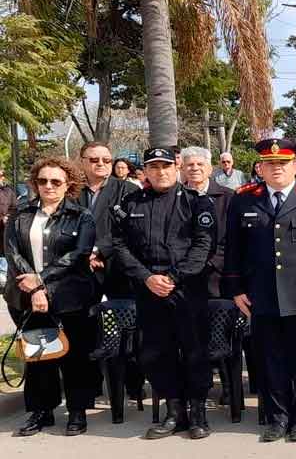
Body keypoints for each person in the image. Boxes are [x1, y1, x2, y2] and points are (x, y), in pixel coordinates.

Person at [224, 138, 296, 442]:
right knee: (269, 359)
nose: (277, 169)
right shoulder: (243, 199)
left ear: (295, 165)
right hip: (260, 292)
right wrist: (236, 288)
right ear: (260, 167)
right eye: (270, 164)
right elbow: (233, 249)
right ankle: (277, 418)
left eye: (283, 163)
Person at [111, 147, 215, 440]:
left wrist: (172, 277)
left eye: (166, 165)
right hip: (148, 290)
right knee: (156, 353)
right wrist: (147, 278)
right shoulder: (131, 203)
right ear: (145, 170)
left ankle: (198, 413)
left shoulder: (196, 202)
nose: (161, 171)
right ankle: (174, 412)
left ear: (177, 166)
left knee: (195, 352)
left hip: (187, 289)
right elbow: (119, 246)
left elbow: (203, 245)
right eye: (154, 166)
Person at [4, 157, 98, 437]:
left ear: (68, 184)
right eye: (43, 181)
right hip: (25, 297)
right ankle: (41, 412)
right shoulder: (20, 214)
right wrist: (34, 289)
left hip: (71, 297)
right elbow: (12, 253)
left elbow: (78, 255)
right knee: (38, 356)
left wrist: (42, 281)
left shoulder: (82, 216)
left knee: (75, 357)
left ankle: (78, 412)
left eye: (56, 181)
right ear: (34, 183)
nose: (49, 186)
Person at [76, 142, 140, 299]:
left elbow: (131, 228)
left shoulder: (129, 190)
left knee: (125, 321)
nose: (100, 164)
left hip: (117, 268)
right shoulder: (71, 191)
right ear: (82, 161)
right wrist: (85, 255)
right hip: (80, 268)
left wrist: (99, 251)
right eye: (94, 160)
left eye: (106, 160)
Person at [180, 147, 233, 298]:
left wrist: (213, 263)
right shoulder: (176, 197)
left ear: (210, 168)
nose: (195, 168)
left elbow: (233, 238)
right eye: (190, 165)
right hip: (182, 275)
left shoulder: (228, 197)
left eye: (200, 164)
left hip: (217, 275)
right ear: (182, 168)